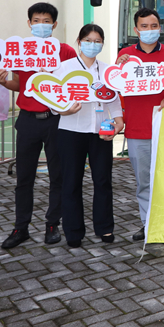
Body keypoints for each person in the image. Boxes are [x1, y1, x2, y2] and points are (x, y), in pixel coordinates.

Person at [0, 2, 76, 249]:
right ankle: (21, 227)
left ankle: (53, 224)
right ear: (29, 23)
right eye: (36, 21)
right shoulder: (20, 51)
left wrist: (53, 77)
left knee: (57, 175)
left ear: (55, 24)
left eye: (46, 21)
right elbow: (19, 84)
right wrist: (2, 82)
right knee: (24, 177)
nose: (41, 25)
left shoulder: (65, 51)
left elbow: (74, 83)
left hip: (56, 120)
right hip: (28, 120)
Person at [115, 7, 164, 242]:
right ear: (136, 30)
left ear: (160, 28)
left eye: (153, 26)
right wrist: (119, 66)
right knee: (144, 181)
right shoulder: (125, 55)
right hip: (137, 130)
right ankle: (148, 225)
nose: (149, 30)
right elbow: (114, 87)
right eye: (144, 26)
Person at [54, 24, 124, 248]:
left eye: (97, 41)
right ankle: (73, 231)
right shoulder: (64, 68)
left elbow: (113, 98)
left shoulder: (107, 70)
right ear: (79, 42)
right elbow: (53, 99)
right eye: (88, 41)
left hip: (100, 132)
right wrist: (64, 110)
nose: (92, 45)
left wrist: (119, 121)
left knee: (102, 180)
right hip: (71, 131)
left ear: (102, 44)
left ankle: (105, 228)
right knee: (71, 182)